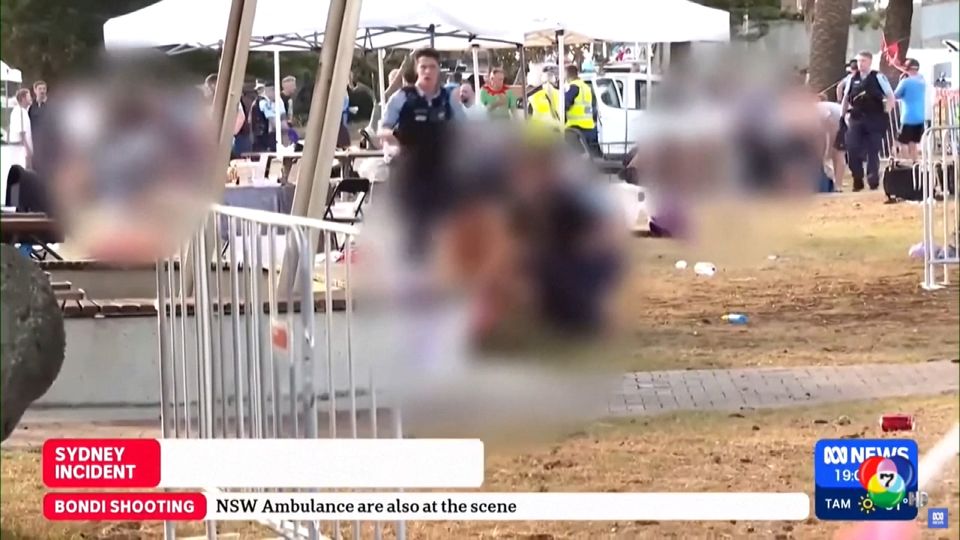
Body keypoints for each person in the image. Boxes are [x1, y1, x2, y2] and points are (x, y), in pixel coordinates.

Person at [378, 47, 463, 150]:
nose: (428, 71)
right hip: (408, 157)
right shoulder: (402, 97)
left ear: (438, 69)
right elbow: (383, 129)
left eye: (432, 67)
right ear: (416, 69)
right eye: (423, 67)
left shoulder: (448, 98)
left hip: (442, 158)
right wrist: (391, 138)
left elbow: (463, 129)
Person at [841, 50, 896, 191]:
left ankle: (873, 179)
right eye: (859, 61)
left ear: (870, 62)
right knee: (852, 149)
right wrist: (842, 116)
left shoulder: (878, 77)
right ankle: (857, 178)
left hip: (874, 118)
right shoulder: (852, 78)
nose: (860, 64)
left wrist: (887, 112)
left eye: (863, 61)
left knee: (873, 150)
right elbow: (846, 98)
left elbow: (890, 96)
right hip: (856, 118)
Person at [563, 64, 601, 158]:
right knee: (585, 156)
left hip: (576, 128)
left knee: (574, 156)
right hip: (589, 127)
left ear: (567, 75)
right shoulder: (586, 87)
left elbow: (565, 104)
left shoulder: (573, 87)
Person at [893, 58, 927, 161]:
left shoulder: (905, 82)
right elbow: (913, 73)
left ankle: (906, 162)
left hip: (907, 117)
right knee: (913, 142)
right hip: (920, 117)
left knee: (903, 142)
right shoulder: (922, 80)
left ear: (907, 69)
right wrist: (898, 66)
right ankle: (914, 162)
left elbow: (895, 95)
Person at [817, 97, 847, 190]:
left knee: (838, 154)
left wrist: (828, 149)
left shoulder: (817, 110)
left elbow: (830, 126)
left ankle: (838, 185)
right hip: (838, 121)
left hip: (842, 123)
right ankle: (835, 183)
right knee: (833, 154)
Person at [8, 89, 33, 169]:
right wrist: (27, 149)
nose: (31, 98)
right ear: (23, 98)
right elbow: (21, 132)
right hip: (20, 147)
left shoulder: (24, 110)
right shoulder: (18, 112)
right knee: (22, 168)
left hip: (22, 146)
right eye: (29, 96)